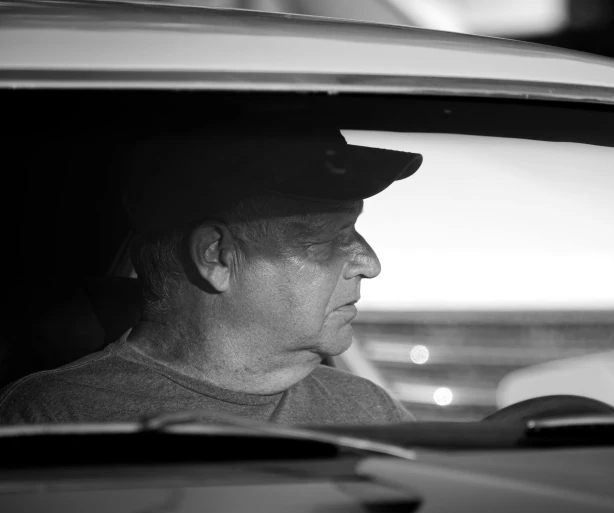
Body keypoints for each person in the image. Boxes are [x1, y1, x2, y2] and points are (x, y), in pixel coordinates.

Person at [0, 118, 423, 425]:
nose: (370, 264)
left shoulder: (369, 407)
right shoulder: (52, 419)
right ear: (217, 256)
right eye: (324, 240)